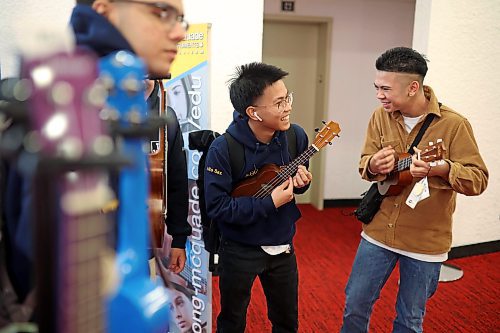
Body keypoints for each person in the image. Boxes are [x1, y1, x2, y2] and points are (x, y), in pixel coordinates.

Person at [341, 47, 488, 333]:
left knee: (409, 320)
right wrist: (372, 164)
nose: (379, 95)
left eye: (385, 88)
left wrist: (442, 168)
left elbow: (478, 179)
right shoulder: (379, 116)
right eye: (376, 87)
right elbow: (365, 165)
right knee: (354, 305)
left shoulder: (454, 125)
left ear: (413, 87)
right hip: (378, 232)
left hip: (425, 242)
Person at [69, 0, 191, 272]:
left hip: (136, 250)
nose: (181, 33)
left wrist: (178, 236)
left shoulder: (157, 117)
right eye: (162, 12)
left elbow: (177, 182)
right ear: (104, 10)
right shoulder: (58, 107)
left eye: (179, 19)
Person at [204, 62, 313, 333]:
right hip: (239, 248)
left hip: (282, 244)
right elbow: (218, 207)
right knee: (232, 320)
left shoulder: (295, 136)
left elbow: (293, 187)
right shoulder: (223, 149)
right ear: (253, 112)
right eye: (278, 103)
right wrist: (269, 203)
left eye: (288, 97)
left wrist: (300, 184)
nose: (287, 107)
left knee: (287, 321)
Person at [146, 79, 191, 272]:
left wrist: (178, 239)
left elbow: (176, 181)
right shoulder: (102, 113)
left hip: (146, 235)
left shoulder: (166, 118)